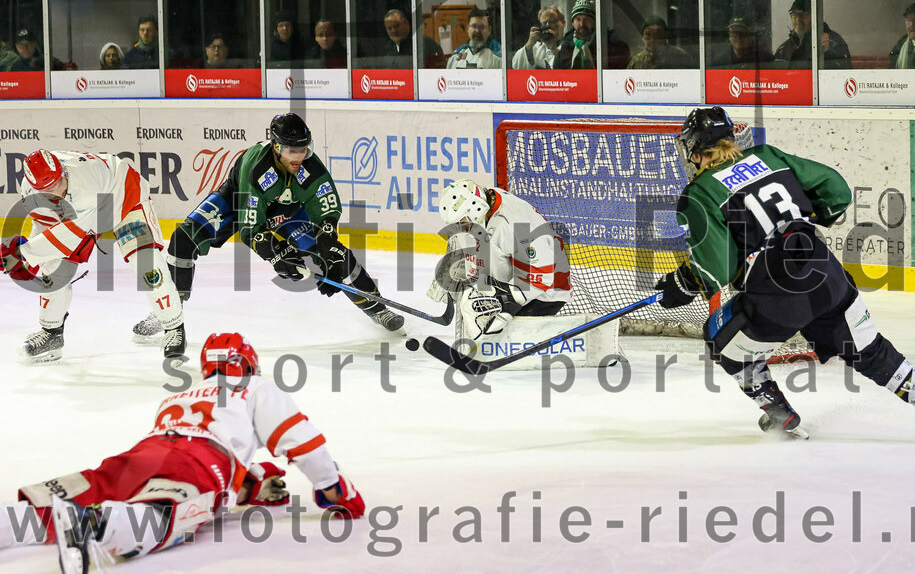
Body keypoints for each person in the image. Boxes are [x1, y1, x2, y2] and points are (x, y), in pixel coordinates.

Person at [656, 106, 915, 440]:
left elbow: (717, 269)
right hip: (826, 275)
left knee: (719, 340)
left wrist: (684, 282)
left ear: (695, 150)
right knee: (872, 352)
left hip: (775, 298)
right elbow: (837, 192)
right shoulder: (767, 155)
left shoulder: (700, 193)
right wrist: (808, 219)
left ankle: (779, 413)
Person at [0, 332, 365, 574]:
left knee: (98, 483)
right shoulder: (253, 386)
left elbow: (199, 445)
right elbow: (300, 442)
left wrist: (250, 483)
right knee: (163, 513)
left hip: (146, 450)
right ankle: (89, 525)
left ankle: (8, 521)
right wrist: (332, 487)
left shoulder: (178, 396)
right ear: (249, 364)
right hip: (199, 460)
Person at [131, 113, 404, 340]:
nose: (298, 157)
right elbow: (252, 228)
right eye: (290, 150)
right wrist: (277, 255)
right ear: (275, 146)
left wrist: (327, 245)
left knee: (337, 256)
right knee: (182, 239)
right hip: (235, 200)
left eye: (303, 149)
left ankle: (377, 307)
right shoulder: (257, 166)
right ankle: (169, 313)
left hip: (288, 210)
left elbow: (327, 211)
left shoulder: (311, 167)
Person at [0, 150, 186, 363]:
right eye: (49, 189)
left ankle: (174, 327)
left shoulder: (84, 182)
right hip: (81, 216)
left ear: (63, 171)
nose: (58, 190)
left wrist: (22, 254)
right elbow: (45, 223)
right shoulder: (29, 193)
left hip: (123, 197)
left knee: (147, 264)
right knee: (52, 268)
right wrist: (29, 255)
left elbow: (69, 238)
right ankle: (51, 332)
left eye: (60, 181)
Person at [429, 179, 571, 341]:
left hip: (545, 291)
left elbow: (543, 275)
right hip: (518, 274)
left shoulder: (515, 224)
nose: (461, 227)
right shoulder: (486, 201)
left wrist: (508, 301)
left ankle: (486, 340)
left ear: (476, 207)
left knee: (475, 303)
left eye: (462, 222)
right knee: (473, 293)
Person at [773, 0, 851, 69]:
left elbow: (846, 73)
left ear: (815, 16)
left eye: (802, 15)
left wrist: (827, 53)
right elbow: (776, 79)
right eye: (794, 15)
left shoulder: (834, 42)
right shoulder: (783, 49)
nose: (798, 20)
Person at [377, 8, 444, 68]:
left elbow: (439, 69)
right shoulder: (385, 50)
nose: (393, 31)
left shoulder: (424, 43)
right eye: (389, 28)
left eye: (396, 26)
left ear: (406, 23)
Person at [626, 16, 696, 69]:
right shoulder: (636, 61)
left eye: (658, 35)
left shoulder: (680, 56)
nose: (652, 39)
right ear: (643, 38)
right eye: (648, 34)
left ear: (665, 36)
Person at [511, 4, 566, 69]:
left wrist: (553, 49)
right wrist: (529, 44)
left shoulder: (571, 46)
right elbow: (517, 67)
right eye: (544, 23)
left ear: (563, 23)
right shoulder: (535, 49)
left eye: (552, 22)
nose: (548, 26)